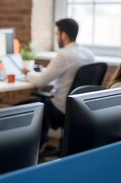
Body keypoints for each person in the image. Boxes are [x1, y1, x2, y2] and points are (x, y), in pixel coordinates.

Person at [21, 18, 95, 147]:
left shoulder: (64, 55)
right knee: (39, 103)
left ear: (64, 35)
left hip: (60, 108)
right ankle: (41, 145)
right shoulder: (88, 54)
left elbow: (40, 81)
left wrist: (28, 73)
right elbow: (70, 76)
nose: (56, 37)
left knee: (22, 108)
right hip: (79, 108)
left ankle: (36, 148)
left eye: (57, 33)